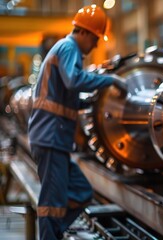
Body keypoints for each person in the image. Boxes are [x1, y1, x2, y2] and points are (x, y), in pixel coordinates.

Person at [28, 5, 127, 240]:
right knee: (51, 203)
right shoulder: (69, 48)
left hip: (56, 140)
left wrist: (90, 103)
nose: (95, 46)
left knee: (82, 192)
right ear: (84, 32)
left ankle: (55, 231)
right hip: (50, 137)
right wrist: (108, 80)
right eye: (95, 39)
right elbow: (73, 81)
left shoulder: (65, 50)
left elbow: (64, 96)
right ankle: (51, 234)